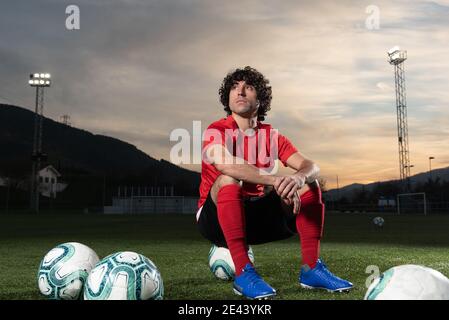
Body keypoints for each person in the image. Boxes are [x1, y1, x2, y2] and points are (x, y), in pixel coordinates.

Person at [196, 66, 353, 299]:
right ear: (227, 97)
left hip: (258, 219)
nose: (239, 92)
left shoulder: (272, 136)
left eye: (248, 87)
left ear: (260, 100)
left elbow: (312, 166)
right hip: (216, 219)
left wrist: (297, 178)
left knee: (310, 184)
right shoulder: (216, 130)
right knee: (229, 178)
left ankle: (311, 269)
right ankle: (243, 274)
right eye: (234, 87)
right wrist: (275, 180)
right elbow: (226, 165)